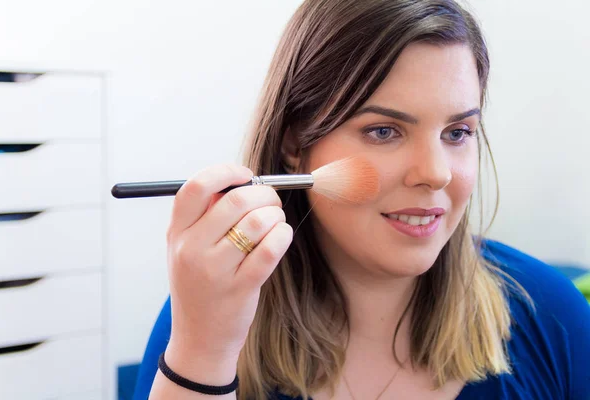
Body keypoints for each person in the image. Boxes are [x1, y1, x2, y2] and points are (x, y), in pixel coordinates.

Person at [137, 0, 590, 399]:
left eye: (458, 133)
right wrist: (205, 352)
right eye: (383, 131)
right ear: (295, 145)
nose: (435, 173)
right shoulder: (205, 314)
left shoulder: (552, 313)